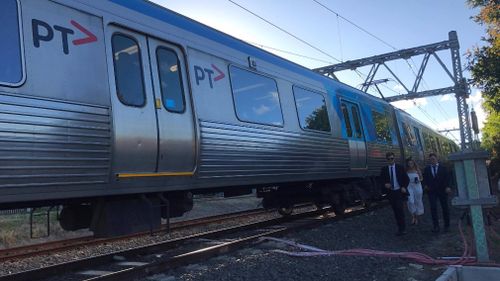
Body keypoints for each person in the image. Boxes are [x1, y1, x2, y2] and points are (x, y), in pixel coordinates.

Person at [380, 152, 410, 236]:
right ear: (387, 160)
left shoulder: (400, 168)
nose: (390, 160)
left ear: (394, 158)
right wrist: (385, 184)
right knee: (395, 211)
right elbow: (381, 180)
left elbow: (406, 179)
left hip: (399, 191)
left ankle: (403, 228)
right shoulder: (384, 169)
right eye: (389, 159)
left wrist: (404, 187)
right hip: (391, 193)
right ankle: (400, 228)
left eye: (392, 158)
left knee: (399, 209)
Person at [423, 153, 451, 233]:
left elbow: (447, 178)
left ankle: (447, 225)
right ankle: (436, 226)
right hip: (432, 191)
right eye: (431, 159)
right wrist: (425, 185)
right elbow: (424, 179)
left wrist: (448, 187)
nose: (432, 160)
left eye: (433, 159)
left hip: (442, 190)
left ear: (436, 159)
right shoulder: (427, 169)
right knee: (433, 208)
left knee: (445, 208)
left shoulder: (443, 168)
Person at [406, 157, 424, 225]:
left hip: (417, 186)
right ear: (407, 164)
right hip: (409, 186)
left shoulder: (417, 170)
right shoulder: (406, 171)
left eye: (411, 163)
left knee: (417, 201)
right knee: (410, 201)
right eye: (409, 163)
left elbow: (422, 178)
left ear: (413, 163)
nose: (410, 164)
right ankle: (413, 215)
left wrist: (418, 180)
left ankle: (416, 217)